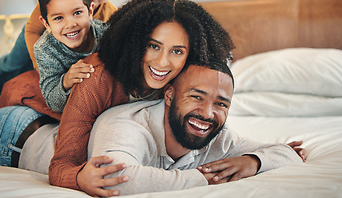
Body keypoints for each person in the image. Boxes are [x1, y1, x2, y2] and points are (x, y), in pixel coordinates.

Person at [0, 0, 235, 197]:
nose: (162, 62)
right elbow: (61, 166)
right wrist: (78, 176)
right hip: (12, 131)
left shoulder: (180, 86)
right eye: (153, 46)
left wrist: (252, 160)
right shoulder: (97, 78)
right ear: (136, 43)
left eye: (177, 51)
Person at [87, 60, 304, 196]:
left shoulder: (220, 139)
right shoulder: (126, 124)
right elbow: (113, 181)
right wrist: (203, 179)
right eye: (196, 97)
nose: (208, 114)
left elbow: (288, 155)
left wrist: (253, 161)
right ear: (169, 95)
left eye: (221, 103)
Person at [0, 0, 133, 100]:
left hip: (60, 47)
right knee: (13, 65)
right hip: (36, 36)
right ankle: (0, 73)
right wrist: (38, 67)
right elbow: (32, 31)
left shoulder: (111, 17)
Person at [35, 0, 109, 112]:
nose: (70, 24)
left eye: (77, 13)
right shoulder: (45, 49)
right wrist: (66, 81)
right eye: (58, 18)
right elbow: (53, 102)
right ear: (46, 24)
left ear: (90, 11)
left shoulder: (107, 34)